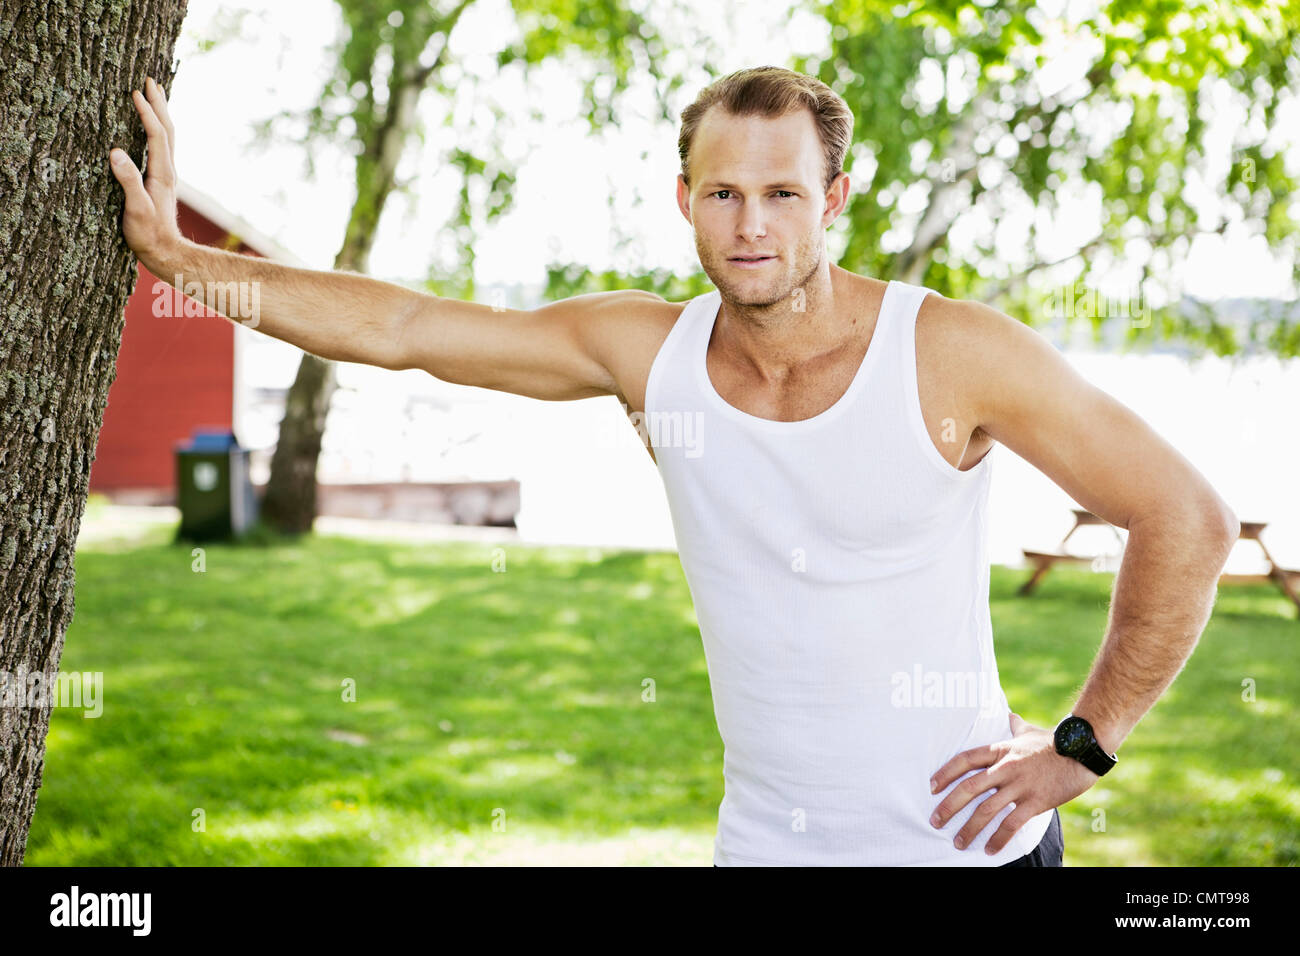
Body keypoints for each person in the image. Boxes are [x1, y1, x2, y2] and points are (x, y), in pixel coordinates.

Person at [109, 66, 1239, 867]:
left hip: (969, 851)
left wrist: (1081, 747)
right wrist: (181, 258)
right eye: (723, 192)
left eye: (783, 192)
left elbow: (1184, 516)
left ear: (833, 199)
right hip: (764, 846)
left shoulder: (947, 350)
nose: (751, 224)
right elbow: (405, 326)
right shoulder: (648, 353)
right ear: (685, 198)